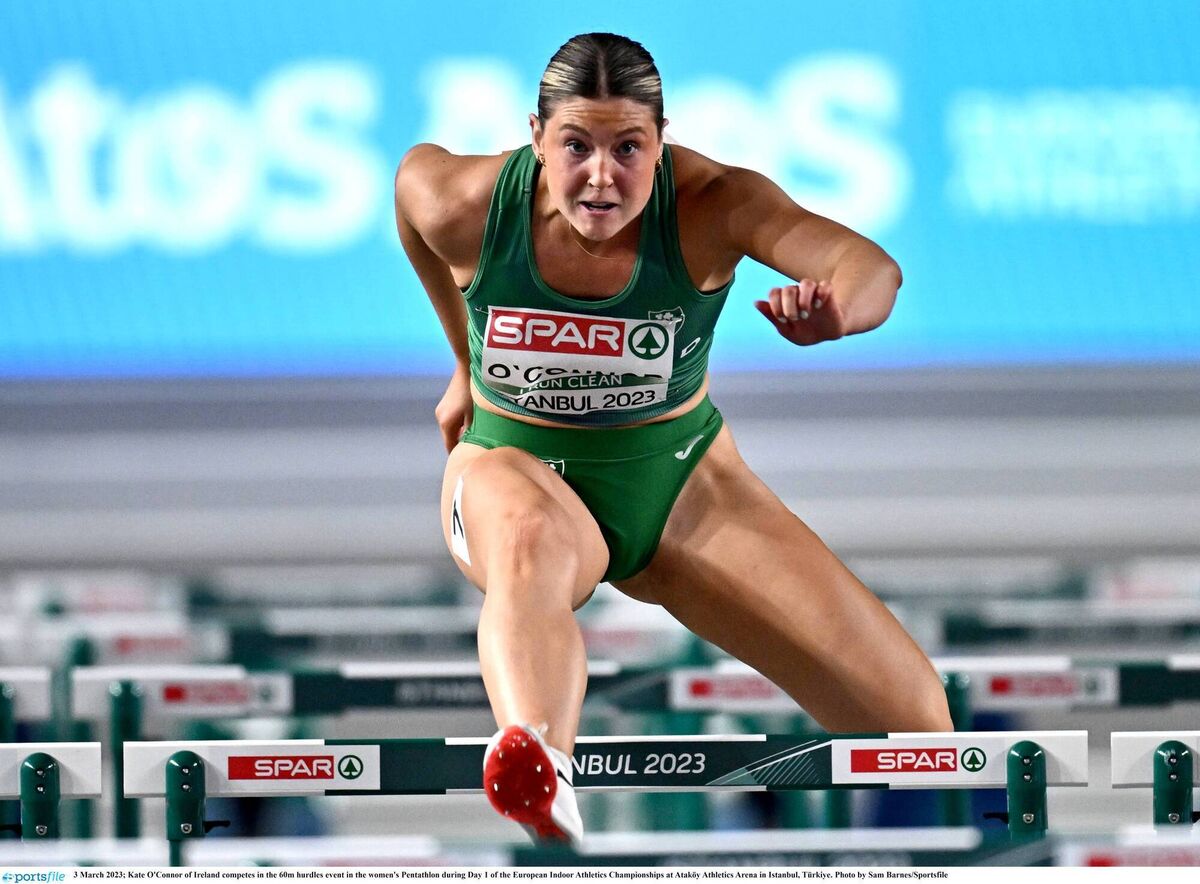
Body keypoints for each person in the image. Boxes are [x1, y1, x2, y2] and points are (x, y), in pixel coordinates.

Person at [395, 32, 952, 845]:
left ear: (662, 143)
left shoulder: (709, 204)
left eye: (629, 148)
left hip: (681, 486)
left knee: (920, 730)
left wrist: (842, 311)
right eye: (576, 146)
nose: (600, 176)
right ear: (536, 137)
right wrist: (462, 363)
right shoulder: (465, 203)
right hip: (507, 466)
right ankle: (537, 763)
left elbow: (866, 264)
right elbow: (411, 202)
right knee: (531, 535)